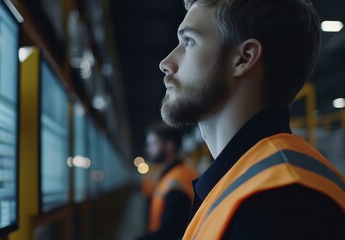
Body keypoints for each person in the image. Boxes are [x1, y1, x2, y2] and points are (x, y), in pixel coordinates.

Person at [158, 0, 345, 239]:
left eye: (189, 42)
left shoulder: (281, 204)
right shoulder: (244, 182)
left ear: (244, 58)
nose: (166, 63)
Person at [138, 123, 197, 240]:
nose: (148, 149)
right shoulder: (170, 174)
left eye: (153, 144)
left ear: (170, 146)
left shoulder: (177, 179)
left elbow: (170, 232)